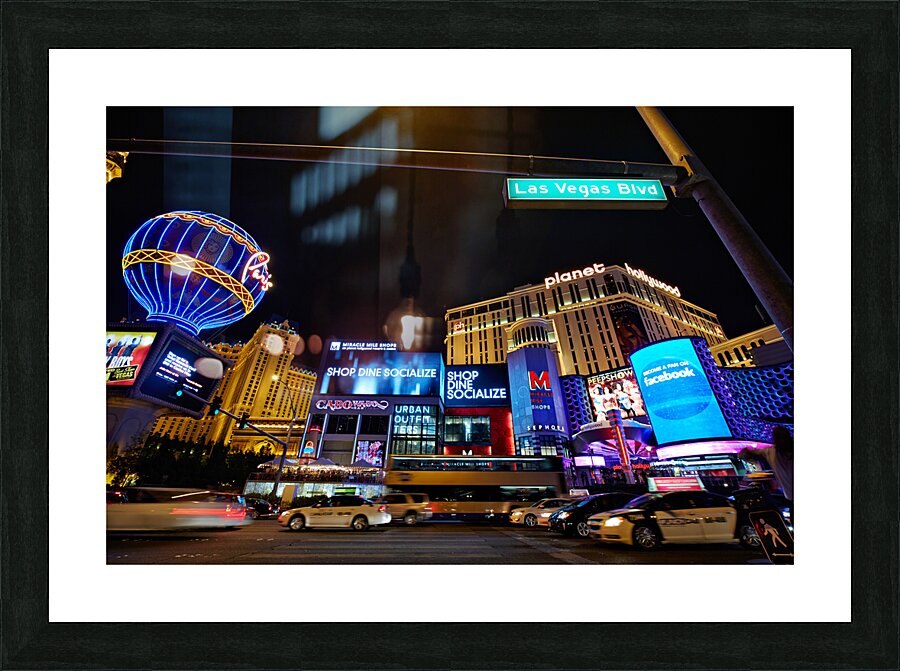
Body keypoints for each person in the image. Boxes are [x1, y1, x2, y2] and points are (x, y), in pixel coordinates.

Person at [740, 427, 794, 522]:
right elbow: (749, 453)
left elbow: (748, 453)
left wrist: (744, 453)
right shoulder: (770, 452)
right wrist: (745, 453)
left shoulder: (770, 452)